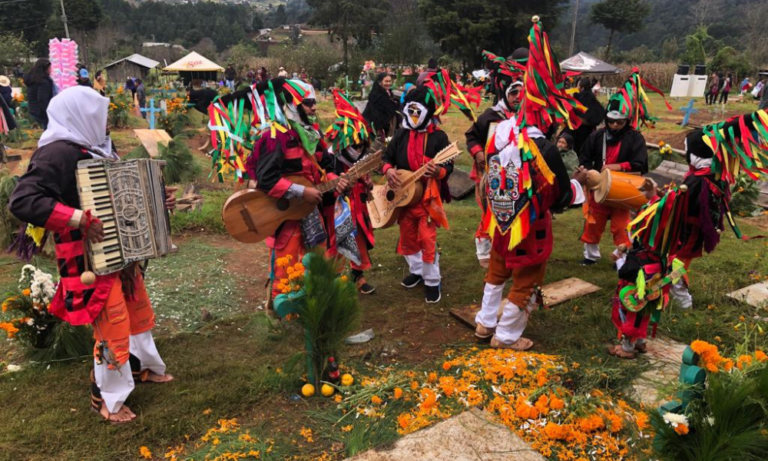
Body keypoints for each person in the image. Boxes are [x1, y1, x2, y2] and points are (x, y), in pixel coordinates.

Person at [8, 86, 176, 422]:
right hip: (88, 257)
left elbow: (119, 192)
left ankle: (142, 367)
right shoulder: (56, 152)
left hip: (120, 252)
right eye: (99, 116)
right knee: (111, 321)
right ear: (81, 116)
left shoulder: (96, 148)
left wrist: (157, 199)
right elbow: (23, 201)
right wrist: (77, 218)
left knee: (137, 313)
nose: (107, 123)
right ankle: (107, 398)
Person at [609, 112, 768, 358]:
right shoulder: (713, 175)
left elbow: (670, 209)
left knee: (664, 276)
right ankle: (674, 308)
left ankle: (676, 308)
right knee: (672, 272)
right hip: (690, 238)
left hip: (679, 239)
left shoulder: (697, 181)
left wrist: (653, 200)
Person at [474, 18, 585, 350]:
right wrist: (580, 186)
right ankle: (506, 336)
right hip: (531, 227)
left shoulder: (500, 135)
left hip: (500, 221)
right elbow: (562, 195)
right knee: (525, 282)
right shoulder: (545, 149)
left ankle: (484, 324)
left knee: (496, 274)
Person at [244, 79, 348, 300]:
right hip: (286, 218)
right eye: (308, 103)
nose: (313, 107)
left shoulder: (311, 134)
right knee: (286, 269)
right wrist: (301, 191)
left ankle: (314, 309)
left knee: (317, 264)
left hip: (311, 213)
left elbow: (326, 163)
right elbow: (266, 179)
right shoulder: (275, 136)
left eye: (314, 102)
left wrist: (334, 179)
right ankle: (283, 313)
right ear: (291, 105)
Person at [382, 85, 452, 303]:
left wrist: (438, 171)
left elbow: (449, 165)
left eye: (416, 112)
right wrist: (389, 170)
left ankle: (432, 280)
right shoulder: (402, 133)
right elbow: (387, 157)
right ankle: (418, 271)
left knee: (427, 239)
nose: (412, 116)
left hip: (426, 199)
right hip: (404, 198)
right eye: (409, 112)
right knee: (408, 238)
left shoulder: (439, 138)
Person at [577, 71, 651, 266]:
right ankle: (590, 256)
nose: (615, 125)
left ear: (627, 121)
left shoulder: (635, 138)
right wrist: (588, 173)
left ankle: (622, 257)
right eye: (611, 121)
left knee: (621, 226)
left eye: (620, 122)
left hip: (622, 188)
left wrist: (617, 167)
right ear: (606, 120)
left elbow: (641, 164)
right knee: (594, 222)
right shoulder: (597, 136)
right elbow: (584, 156)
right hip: (599, 187)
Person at [464, 49, 527, 267]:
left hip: (516, 175)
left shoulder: (527, 118)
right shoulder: (491, 116)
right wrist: (479, 152)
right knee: (488, 212)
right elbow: (471, 137)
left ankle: (509, 246)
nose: (517, 98)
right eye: (513, 93)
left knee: (514, 210)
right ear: (506, 95)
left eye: (521, 93)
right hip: (489, 174)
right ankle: (483, 248)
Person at [325, 89, 377, 294]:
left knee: (360, 239)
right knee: (337, 239)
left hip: (359, 206)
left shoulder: (362, 158)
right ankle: (334, 277)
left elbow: (367, 181)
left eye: (361, 143)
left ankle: (358, 276)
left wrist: (368, 183)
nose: (358, 147)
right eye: (354, 143)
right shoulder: (332, 158)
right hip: (339, 208)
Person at [564, 77, 606, 154]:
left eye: (577, 86)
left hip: (579, 132)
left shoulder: (583, 99)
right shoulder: (591, 99)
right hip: (587, 132)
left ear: (581, 88)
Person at [362, 73, 399, 142]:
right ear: (379, 82)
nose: (388, 83)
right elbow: (379, 113)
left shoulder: (388, 92)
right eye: (386, 81)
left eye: (389, 81)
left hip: (385, 125)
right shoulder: (376, 95)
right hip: (375, 125)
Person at [24, 59, 56, 129]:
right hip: (42, 111)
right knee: (48, 129)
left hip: (34, 109)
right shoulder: (44, 82)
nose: (51, 70)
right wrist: (49, 111)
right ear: (45, 68)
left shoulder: (33, 79)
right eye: (49, 68)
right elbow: (42, 99)